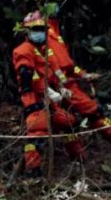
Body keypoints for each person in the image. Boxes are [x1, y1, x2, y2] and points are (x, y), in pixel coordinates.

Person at [30, 0, 111, 142]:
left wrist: (84, 75)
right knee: (92, 111)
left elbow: (67, 65)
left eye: (56, 1)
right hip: (58, 87)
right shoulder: (41, 31)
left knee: (68, 125)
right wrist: (56, 87)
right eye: (51, 2)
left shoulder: (55, 30)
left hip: (64, 85)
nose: (55, 6)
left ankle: (78, 156)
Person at [12, 10, 84, 172]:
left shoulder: (45, 50)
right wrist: (49, 93)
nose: (39, 33)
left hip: (50, 99)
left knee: (69, 122)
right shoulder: (23, 51)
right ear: (28, 31)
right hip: (33, 98)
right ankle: (33, 170)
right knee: (38, 132)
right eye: (35, 30)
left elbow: (52, 73)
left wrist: (61, 89)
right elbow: (29, 77)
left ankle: (78, 159)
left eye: (41, 30)